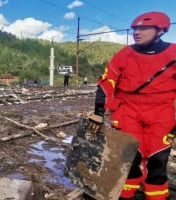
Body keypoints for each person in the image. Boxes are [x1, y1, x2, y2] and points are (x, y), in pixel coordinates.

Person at [88, 11, 176, 200]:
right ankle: (124, 195)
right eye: (135, 28)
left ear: (160, 31)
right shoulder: (124, 54)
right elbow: (107, 82)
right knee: (130, 158)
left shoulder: (174, 53)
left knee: (157, 161)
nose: (137, 32)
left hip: (162, 112)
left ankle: (157, 196)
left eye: (143, 28)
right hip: (127, 110)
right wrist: (98, 112)